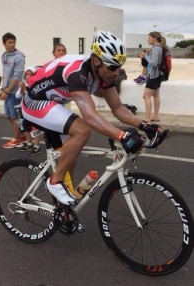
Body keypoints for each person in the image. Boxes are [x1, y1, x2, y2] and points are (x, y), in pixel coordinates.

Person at [21, 31, 162, 205]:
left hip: (54, 103)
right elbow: (90, 116)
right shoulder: (77, 72)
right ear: (96, 60)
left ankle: (63, 207)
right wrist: (122, 136)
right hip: (34, 101)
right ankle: (54, 182)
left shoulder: (103, 73)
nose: (117, 72)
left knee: (69, 158)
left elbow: (117, 108)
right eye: (112, 67)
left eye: (119, 66)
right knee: (81, 130)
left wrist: (145, 125)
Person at [0, 32, 25, 148]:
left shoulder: (19, 57)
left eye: (13, 42)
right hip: (7, 91)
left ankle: (17, 140)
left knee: (15, 117)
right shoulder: (4, 56)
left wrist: (7, 91)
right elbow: (5, 73)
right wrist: (2, 89)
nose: (12, 44)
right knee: (8, 115)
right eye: (9, 42)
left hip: (14, 93)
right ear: (4, 44)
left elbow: (17, 77)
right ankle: (23, 133)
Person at [138, 31, 166, 122]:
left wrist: (145, 55)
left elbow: (153, 63)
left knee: (146, 96)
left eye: (149, 37)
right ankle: (155, 116)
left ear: (154, 38)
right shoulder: (160, 47)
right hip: (159, 75)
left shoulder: (156, 48)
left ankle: (147, 118)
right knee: (156, 95)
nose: (147, 39)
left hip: (154, 76)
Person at [16, 66, 41, 155]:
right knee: (25, 127)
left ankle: (37, 146)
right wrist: (22, 89)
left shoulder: (38, 85)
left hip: (34, 110)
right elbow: (17, 96)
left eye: (31, 74)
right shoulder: (24, 85)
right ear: (25, 76)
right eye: (27, 74)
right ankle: (29, 143)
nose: (29, 76)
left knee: (35, 128)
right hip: (25, 110)